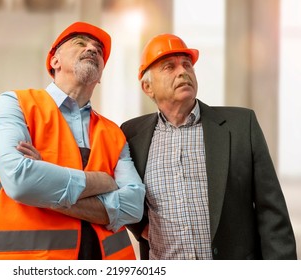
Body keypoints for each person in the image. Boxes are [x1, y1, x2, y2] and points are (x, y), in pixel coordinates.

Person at [0, 22, 145, 260]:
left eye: (99, 50)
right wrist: (102, 181)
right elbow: (20, 180)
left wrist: (46, 189)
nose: (93, 49)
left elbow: (134, 206)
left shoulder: (113, 132)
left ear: (101, 76)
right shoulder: (16, 104)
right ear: (55, 61)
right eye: (80, 43)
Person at [121, 34, 297, 260]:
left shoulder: (241, 126)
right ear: (147, 87)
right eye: (169, 67)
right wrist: (142, 228)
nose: (182, 72)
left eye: (187, 65)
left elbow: (272, 214)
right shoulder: (132, 135)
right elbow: (121, 192)